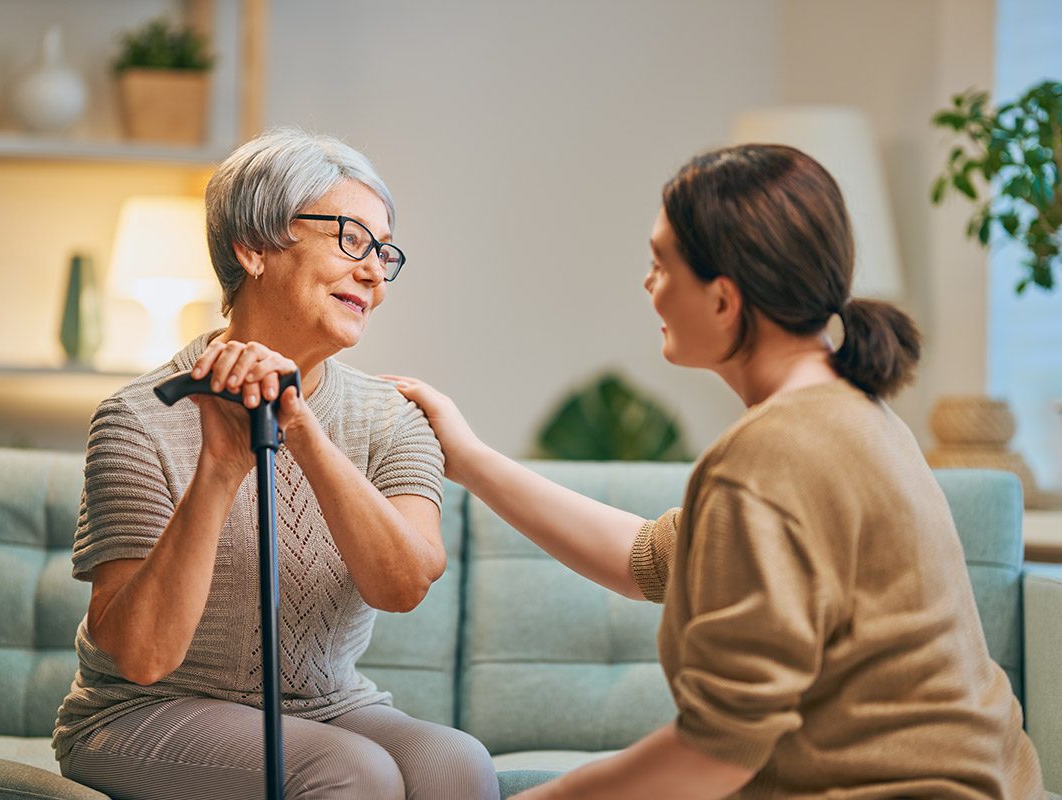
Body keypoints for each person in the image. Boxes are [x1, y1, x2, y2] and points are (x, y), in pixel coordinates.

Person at [388, 144, 1046, 799]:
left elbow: (715, 754)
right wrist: (468, 458)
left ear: (725, 300)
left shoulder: (771, 455)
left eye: (659, 264)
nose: (649, 285)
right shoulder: (855, 417)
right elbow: (646, 557)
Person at [53, 127, 500, 800]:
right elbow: (142, 658)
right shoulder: (137, 418)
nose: (374, 271)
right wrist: (220, 465)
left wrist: (302, 428)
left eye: (383, 252)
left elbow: (402, 584)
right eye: (350, 239)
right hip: (144, 713)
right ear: (253, 246)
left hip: (326, 705)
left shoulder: (392, 416)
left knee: (458, 766)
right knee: (353, 772)